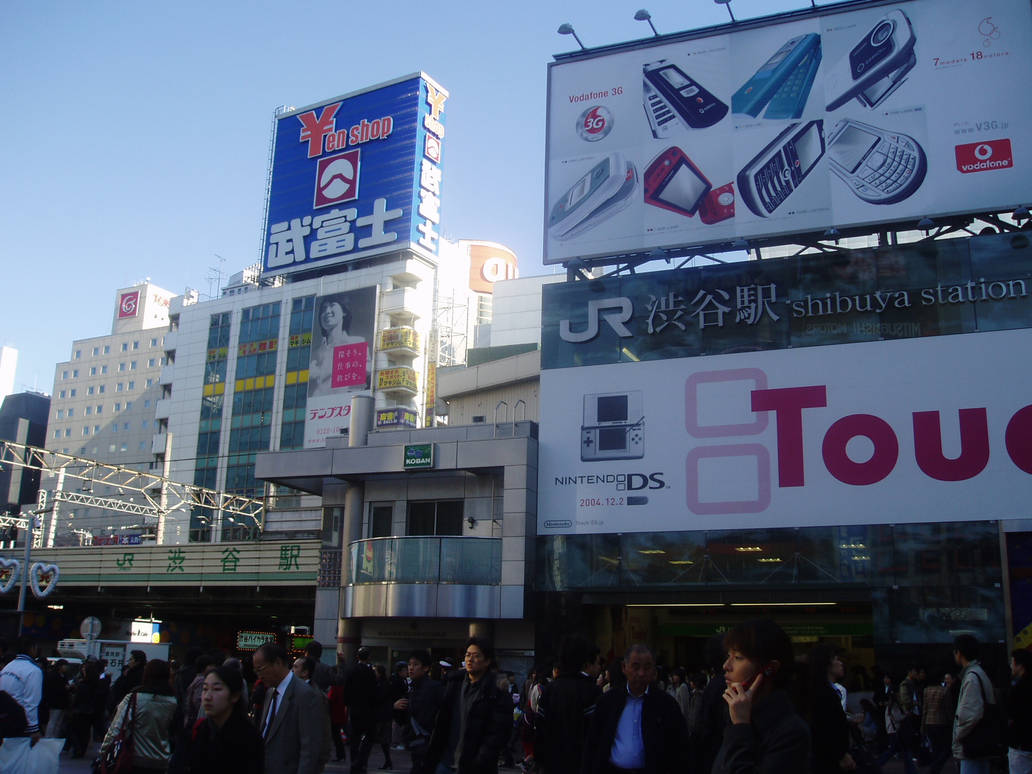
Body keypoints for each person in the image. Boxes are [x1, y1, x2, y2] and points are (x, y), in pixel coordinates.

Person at [711, 619, 811, 774]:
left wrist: (740, 728)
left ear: (769, 668)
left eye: (738, 657)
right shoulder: (736, 715)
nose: (726, 666)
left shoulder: (791, 732)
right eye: (728, 656)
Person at [582, 643, 687, 774]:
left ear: (654, 671)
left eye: (647, 667)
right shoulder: (608, 702)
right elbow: (593, 743)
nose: (641, 673)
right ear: (624, 668)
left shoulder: (667, 705)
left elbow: (680, 748)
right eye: (635, 667)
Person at [425, 636, 514, 774]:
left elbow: (499, 733)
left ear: (487, 661)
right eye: (467, 655)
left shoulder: (496, 691)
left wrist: (481, 760)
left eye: (476, 656)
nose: (470, 659)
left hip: (475, 766)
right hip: (445, 762)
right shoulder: (454, 684)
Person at [253, 642, 330, 774]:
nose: (258, 675)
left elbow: (310, 749)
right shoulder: (270, 692)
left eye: (260, 669)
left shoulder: (306, 695)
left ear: (277, 663)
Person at [535, 634, 602, 774]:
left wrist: (541, 761)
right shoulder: (592, 692)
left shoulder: (550, 690)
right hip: (580, 764)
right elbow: (594, 734)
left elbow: (540, 729)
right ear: (585, 662)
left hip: (551, 763)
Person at [101, 658, 178, 771]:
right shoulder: (173, 701)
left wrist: (104, 751)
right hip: (161, 760)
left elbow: (116, 728)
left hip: (134, 758)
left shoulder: (134, 698)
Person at [186, 665, 263, 774]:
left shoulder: (249, 737)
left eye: (216, 689)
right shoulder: (200, 729)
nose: (207, 696)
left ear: (234, 696)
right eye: (205, 689)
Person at [952, 633, 997, 774]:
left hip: (972, 744)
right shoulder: (980, 673)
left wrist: (958, 734)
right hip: (981, 742)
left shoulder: (971, 677)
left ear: (959, 653)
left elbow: (970, 714)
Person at [393, 650, 444, 774]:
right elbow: (404, 720)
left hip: (428, 744)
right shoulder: (411, 689)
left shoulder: (434, 688)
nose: (411, 668)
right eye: (409, 664)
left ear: (426, 668)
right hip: (416, 743)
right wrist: (396, 707)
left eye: (415, 664)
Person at [807, 644, 855, 773]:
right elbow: (825, 727)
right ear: (826, 664)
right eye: (836, 659)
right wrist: (841, 754)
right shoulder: (822, 694)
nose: (841, 663)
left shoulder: (831, 691)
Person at [308, 297, 368, 397]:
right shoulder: (314, 353)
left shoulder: (356, 343)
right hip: (317, 407)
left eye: (332, 306)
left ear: (344, 312)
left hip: (344, 405)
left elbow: (363, 379)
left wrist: (320, 372)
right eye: (323, 308)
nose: (327, 311)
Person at [0, 636, 43, 768]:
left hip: (3, 719)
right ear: (32, 648)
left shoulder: (7, 668)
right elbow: (31, 702)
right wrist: (34, 729)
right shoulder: (33, 671)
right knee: (18, 761)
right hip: (20, 721)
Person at [344, 646, 379, 773]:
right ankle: (362, 761)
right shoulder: (370, 672)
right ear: (368, 657)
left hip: (354, 709)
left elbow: (346, 690)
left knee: (355, 737)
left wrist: (347, 705)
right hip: (368, 710)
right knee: (369, 736)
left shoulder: (351, 670)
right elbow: (374, 692)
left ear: (357, 657)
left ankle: (354, 761)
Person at [921, 672, 954, 774]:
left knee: (935, 748)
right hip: (941, 722)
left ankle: (934, 768)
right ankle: (935, 769)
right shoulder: (944, 691)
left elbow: (925, 709)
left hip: (929, 722)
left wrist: (922, 725)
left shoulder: (926, 690)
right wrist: (951, 721)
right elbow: (948, 708)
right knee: (945, 748)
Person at [1006, 649, 1031, 774]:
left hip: (1019, 743)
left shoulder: (1017, 688)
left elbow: (1011, 715)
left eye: (1012, 662)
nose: (1011, 666)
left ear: (1019, 665)